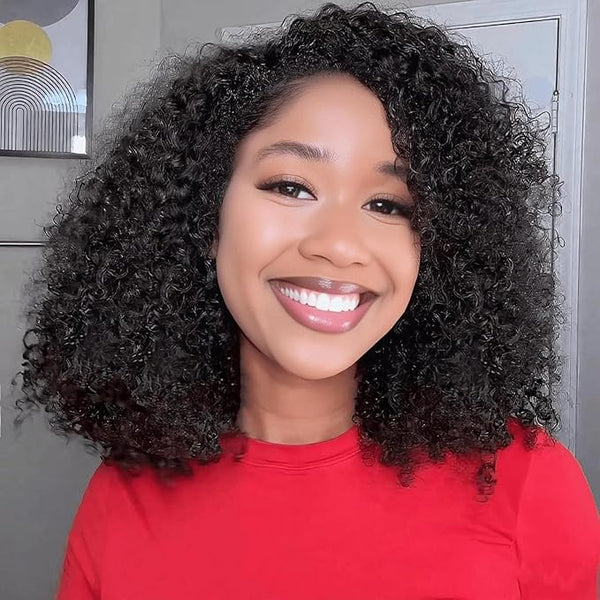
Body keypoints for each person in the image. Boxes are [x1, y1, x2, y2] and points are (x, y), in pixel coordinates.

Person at [12, 2, 599, 598]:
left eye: (387, 205)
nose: (339, 245)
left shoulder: (526, 485)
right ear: (204, 219)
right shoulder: (120, 497)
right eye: (291, 187)